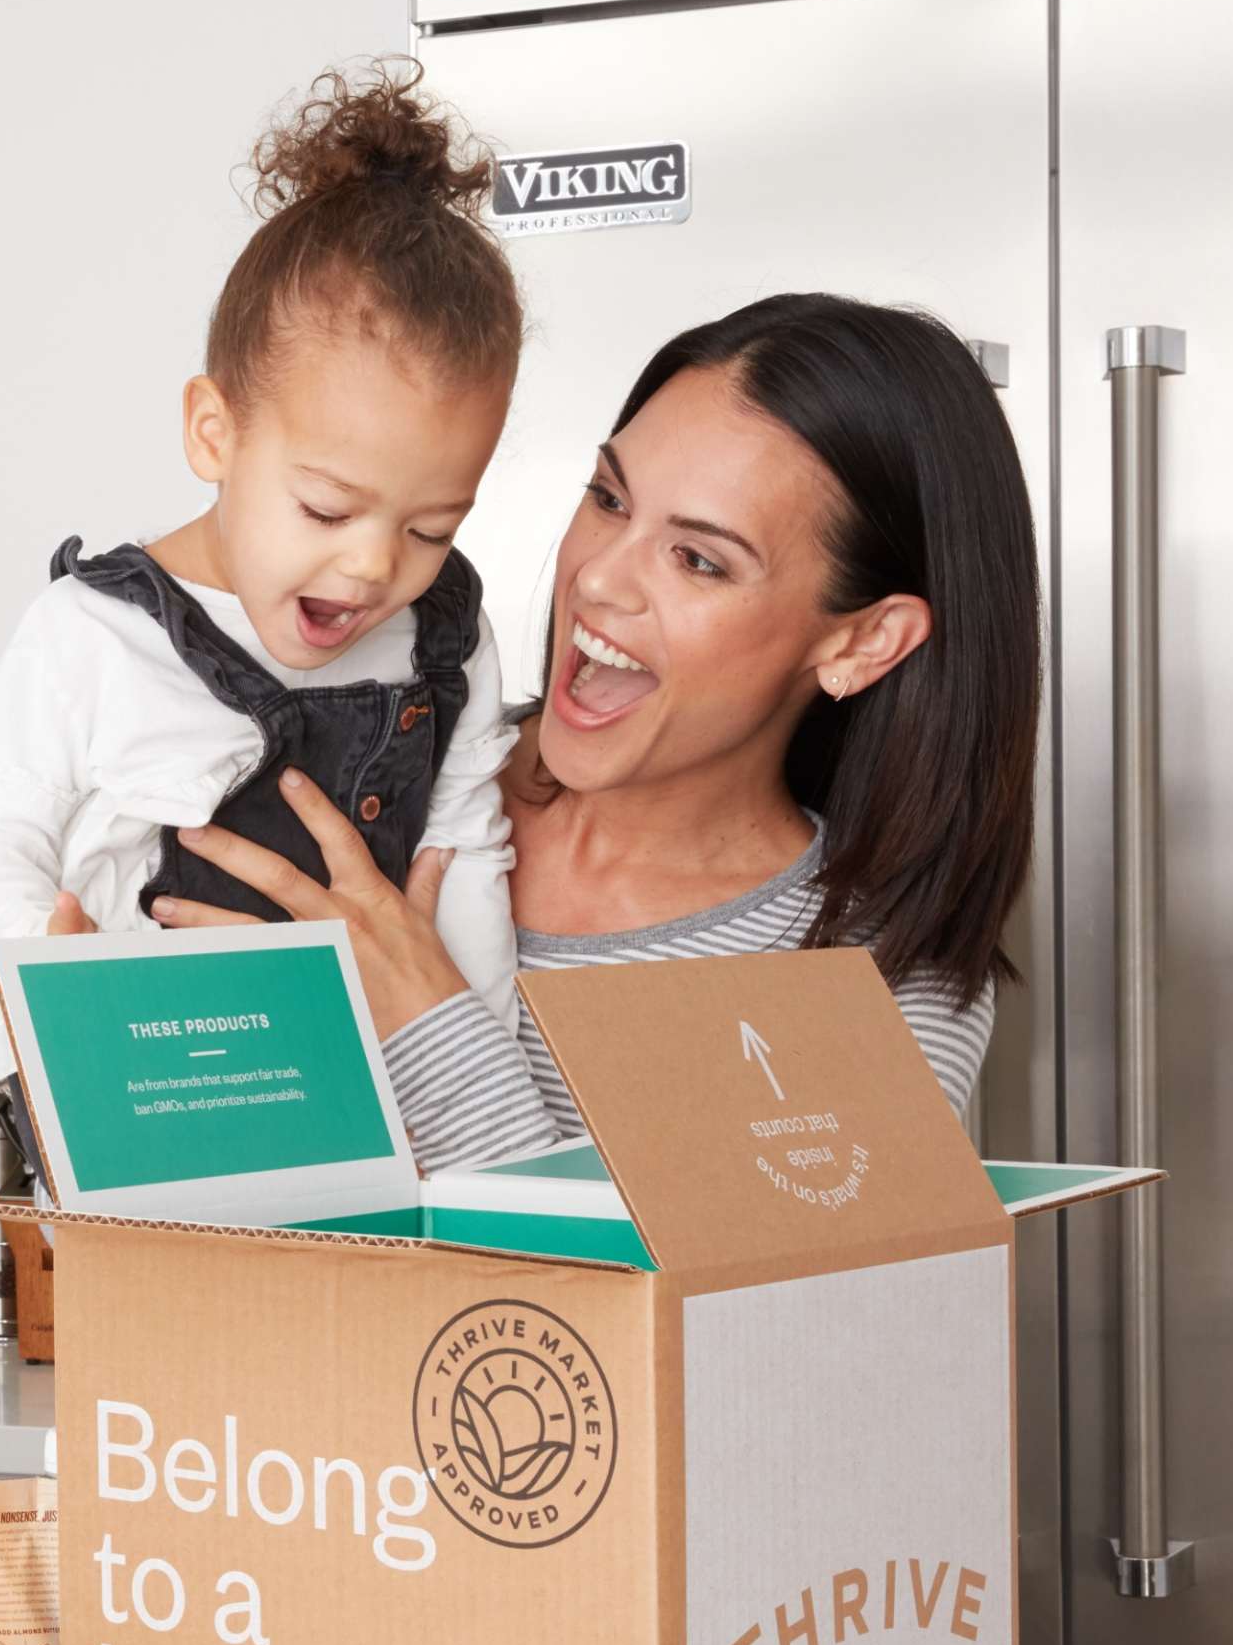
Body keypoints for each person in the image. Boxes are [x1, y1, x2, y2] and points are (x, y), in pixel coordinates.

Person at [149, 292, 1041, 1160]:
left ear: (863, 640)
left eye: (698, 559)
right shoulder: (365, 769)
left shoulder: (877, 981)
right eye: (610, 499)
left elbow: (682, 1314)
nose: (600, 578)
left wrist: (428, 1026)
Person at [0, 63, 528, 1097]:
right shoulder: (92, 632)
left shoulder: (449, 642)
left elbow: (466, 859)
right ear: (215, 433)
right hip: (132, 1076)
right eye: (329, 510)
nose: (377, 565)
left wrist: (478, 1066)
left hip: (368, 1086)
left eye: (433, 527)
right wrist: (37, 960)